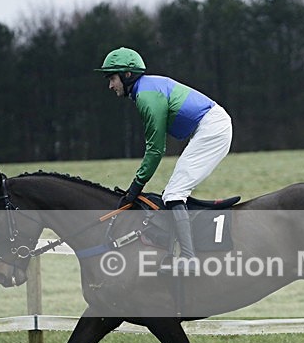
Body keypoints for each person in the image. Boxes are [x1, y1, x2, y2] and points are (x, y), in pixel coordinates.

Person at [95, 47, 232, 273]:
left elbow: (156, 150)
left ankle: (189, 259)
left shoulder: (147, 96)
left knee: (174, 194)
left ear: (127, 75)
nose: (110, 85)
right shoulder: (145, 89)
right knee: (173, 192)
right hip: (210, 126)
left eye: (112, 78)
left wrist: (135, 187)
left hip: (213, 129)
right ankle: (178, 252)